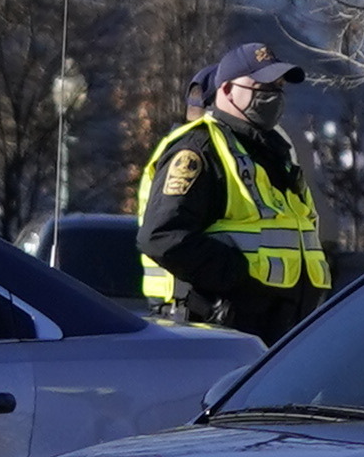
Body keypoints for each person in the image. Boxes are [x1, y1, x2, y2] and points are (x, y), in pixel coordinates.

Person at [138, 42, 333, 336]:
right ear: (227, 90)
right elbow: (162, 236)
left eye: (279, 87)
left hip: (281, 329)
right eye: (262, 86)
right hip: (219, 330)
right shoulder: (200, 149)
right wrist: (240, 281)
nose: (274, 96)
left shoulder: (273, 152)